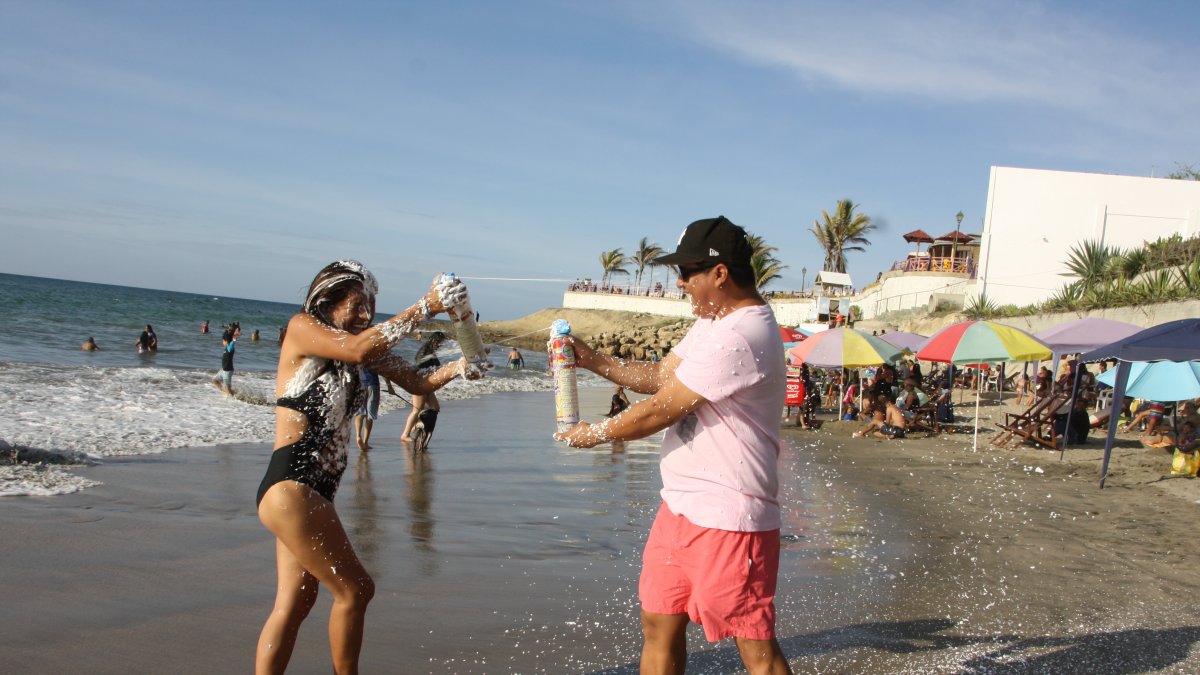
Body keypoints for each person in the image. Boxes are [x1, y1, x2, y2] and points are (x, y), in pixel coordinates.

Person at [555, 216, 793, 674]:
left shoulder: (743, 333)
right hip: (680, 508)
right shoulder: (712, 321)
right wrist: (591, 359)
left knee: (753, 645)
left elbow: (660, 410)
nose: (680, 282)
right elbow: (659, 378)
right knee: (658, 621)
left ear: (719, 273)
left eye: (687, 272)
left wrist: (593, 434)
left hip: (731, 516)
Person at [255, 261, 482, 673]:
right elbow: (359, 349)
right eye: (357, 305)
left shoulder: (360, 343)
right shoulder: (303, 327)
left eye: (371, 306)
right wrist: (427, 305)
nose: (365, 316)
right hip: (292, 488)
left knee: (296, 602)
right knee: (356, 591)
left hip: (310, 494)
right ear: (326, 301)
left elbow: (417, 382)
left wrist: (461, 368)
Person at [402, 332, 448, 451]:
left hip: (428, 385)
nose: (440, 345)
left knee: (435, 408)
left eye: (441, 343)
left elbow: (436, 367)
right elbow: (418, 367)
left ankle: (418, 426)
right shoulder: (424, 352)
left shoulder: (431, 352)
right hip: (419, 384)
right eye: (439, 342)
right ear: (434, 340)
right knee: (416, 409)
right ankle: (405, 434)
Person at [354, 366, 381, 451]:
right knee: (370, 415)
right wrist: (389, 386)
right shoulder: (375, 355)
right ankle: (365, 442)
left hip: (360, 384)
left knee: (360, 412)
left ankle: (358, 436)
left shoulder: (358, 355)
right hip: (373, 384)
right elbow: (383, 371)